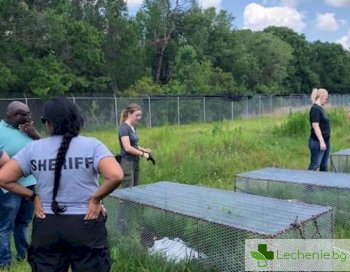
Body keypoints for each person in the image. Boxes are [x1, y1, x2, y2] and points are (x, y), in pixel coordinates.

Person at [0, 96, 123, 272]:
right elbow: (116, 175)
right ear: (77, 120)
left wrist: (33, 197)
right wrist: (95, 200)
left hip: (46, 223)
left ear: (48, 123)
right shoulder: (93, 145)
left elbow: (3, 178)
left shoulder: (33, 149)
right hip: (86, 221)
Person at [0, 101, 40, 269]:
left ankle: (23, 255)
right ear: (14, 115)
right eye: (26, 115)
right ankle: (4, 261)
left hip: (30, 184)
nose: (29, 118)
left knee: (23, 223)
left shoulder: (27, 129)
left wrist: (34, 133)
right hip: (9, 186)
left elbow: (45, 147)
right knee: (5, 226)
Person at [118, 103, 152, 188]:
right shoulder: (124, 128)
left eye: (140, 115)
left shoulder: (133, 127)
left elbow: (134, 145)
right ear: (129, 114)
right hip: (127, 163)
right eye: (137, 115)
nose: (139, 118)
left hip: (135, 161)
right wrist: (143, 154)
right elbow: (127, 148)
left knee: (135, 189)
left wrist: (144, 150)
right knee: (128, 191)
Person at [307, 88, 330, 171]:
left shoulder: (320, 108)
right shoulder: (315, 109)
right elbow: (315, 126)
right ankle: (308, 184)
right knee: (315, 164)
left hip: (326, 141)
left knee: (324, 165)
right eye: (326, 98)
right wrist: (322, 141)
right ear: (321, 96)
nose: (327, 100)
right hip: (317, 142)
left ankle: (324, 184)